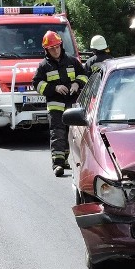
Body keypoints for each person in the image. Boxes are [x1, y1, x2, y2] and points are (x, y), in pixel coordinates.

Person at [32, 30, 88, 177]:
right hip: (55, 106)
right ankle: (57, 164)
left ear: (61, 45)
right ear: (46, 49)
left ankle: (65, 160)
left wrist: (76, 83)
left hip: (72, 105)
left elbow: (84, 75)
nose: (55, 50)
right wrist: (54, 88)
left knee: (71, 133)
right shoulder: (44, 66)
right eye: (52, 48)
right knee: (57, 133)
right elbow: (36, 84)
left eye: (57, 47)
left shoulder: (72, 61)